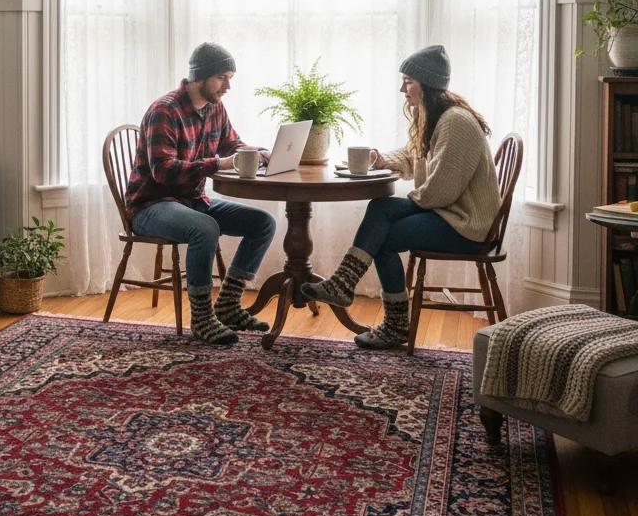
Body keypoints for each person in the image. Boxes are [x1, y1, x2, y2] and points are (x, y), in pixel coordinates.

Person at [300, 45, 501, 349]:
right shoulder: (435, 117)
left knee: (382, 230)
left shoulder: (455, 122)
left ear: (427, 84)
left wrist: (406, 205)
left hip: (469, 226)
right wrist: (378, 158)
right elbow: (411, 157)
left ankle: (380, 314)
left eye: (408, 81)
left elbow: (440, 191)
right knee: (381, 213)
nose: (402, 89)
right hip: (451, 214)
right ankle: (351, 290)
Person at [125, 42, 277, 346]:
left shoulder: (214, 108)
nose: (228, 86)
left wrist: (258, 152)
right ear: (201, 76)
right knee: (204, 228)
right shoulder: (164, 110)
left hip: (193, 201)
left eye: (230, 77)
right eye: (222, 77)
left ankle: (229, 305)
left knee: (263, 222)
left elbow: (232, 145)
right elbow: (162, 171)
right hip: (151, 205)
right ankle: (203, 318)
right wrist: (216, 164)